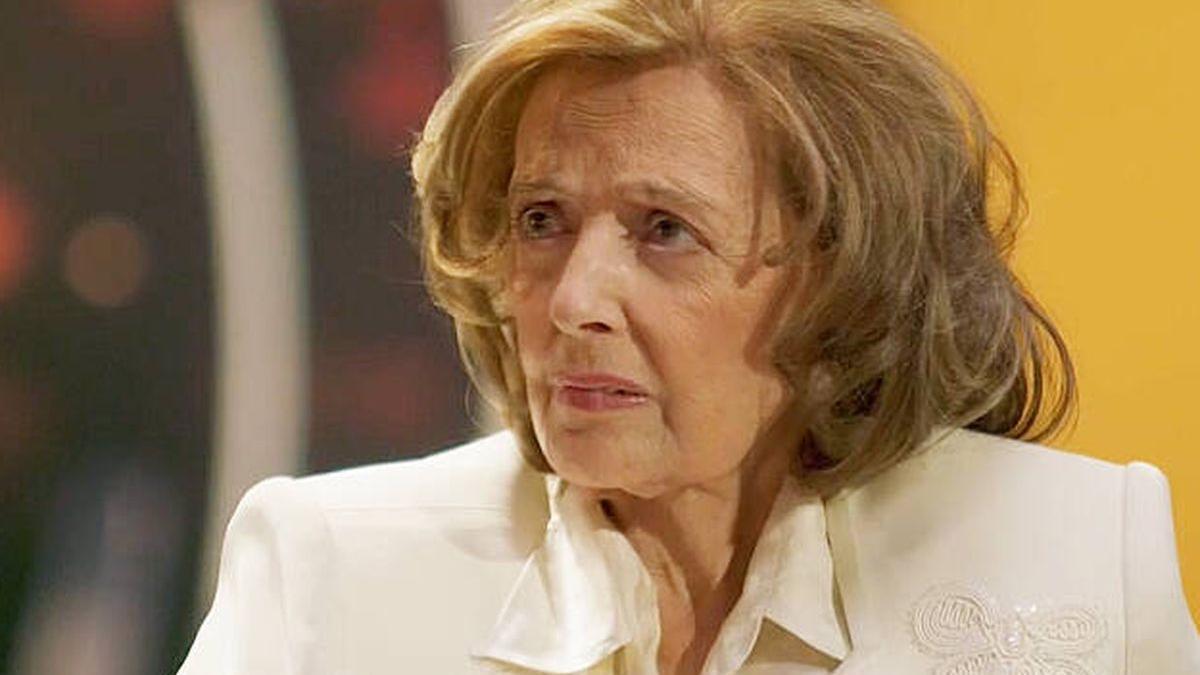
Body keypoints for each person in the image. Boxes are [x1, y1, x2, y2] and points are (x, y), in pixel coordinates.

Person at [177, 0, 1200, 673]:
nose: (574, 299)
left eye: (663, 231)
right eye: (542, 219)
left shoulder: (1077, 550)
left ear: (844, 275)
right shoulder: (329, 569)